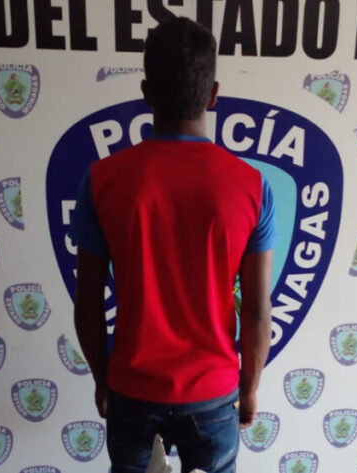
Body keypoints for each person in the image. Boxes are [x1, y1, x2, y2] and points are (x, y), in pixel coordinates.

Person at [69, 16, 276, 473]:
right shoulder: (252, 187)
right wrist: (249, 388)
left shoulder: (102, 181)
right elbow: (258, 311)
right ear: (213, 94)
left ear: (146, 93)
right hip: (214, 392)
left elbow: (88, 302)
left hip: (132, 388)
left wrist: (103, 380)